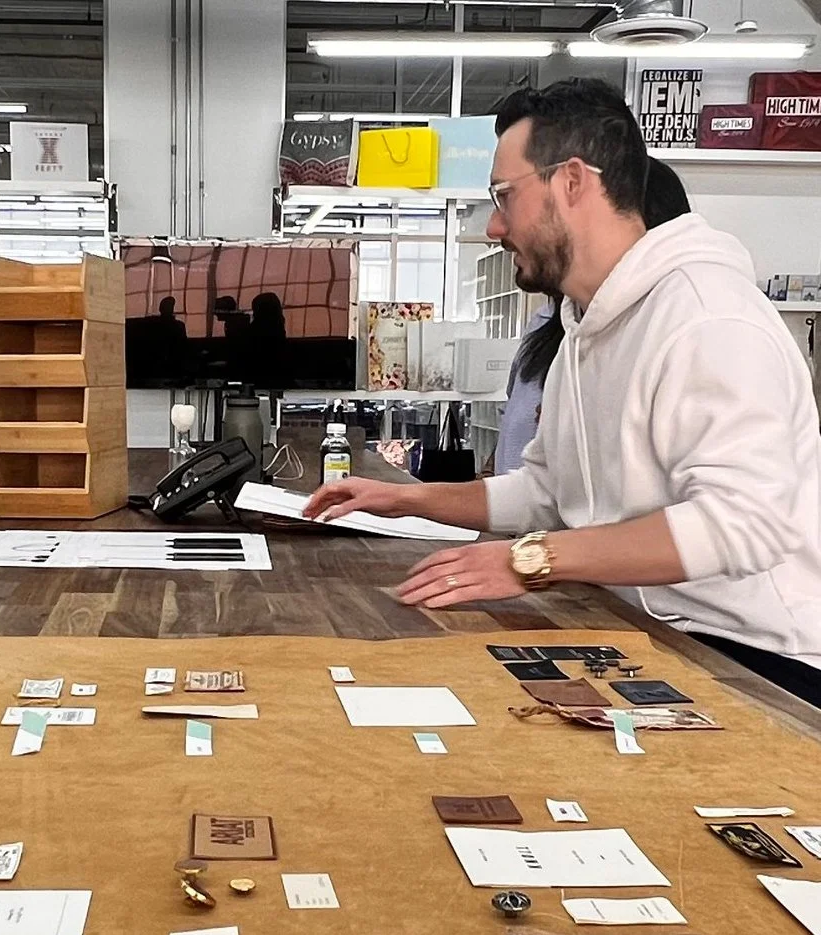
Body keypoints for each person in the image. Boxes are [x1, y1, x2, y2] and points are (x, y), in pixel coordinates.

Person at [304, 78, 821, 706]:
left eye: (505, 196)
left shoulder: (708, 319)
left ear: (572, 181)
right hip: (641, 634)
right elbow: (549, 492)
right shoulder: (588, 323)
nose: (495, 226)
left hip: (755, 665)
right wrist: (408, 500)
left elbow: (744, 526)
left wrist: (529, 561)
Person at [494, 158, 692, 473]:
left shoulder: (688, 329)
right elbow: (527, 474)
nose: (499, 229)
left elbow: (721, 511)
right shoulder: (552, 323)